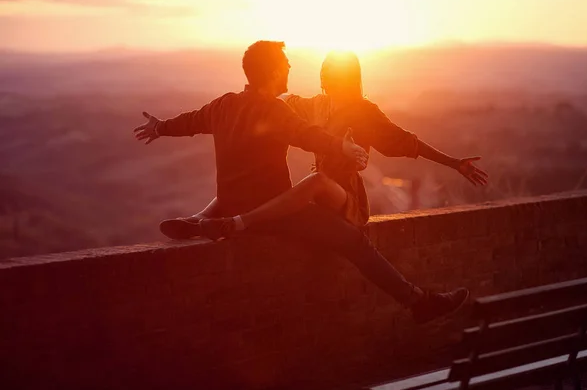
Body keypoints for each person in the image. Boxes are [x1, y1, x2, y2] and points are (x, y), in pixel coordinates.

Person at [134, 40, 469, 324]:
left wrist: (161, 127)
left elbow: (192, 120)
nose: (292, 70)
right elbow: (307, 134)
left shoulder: (224, 104)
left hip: (232, 201)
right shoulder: (277, 111)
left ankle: (201, 220)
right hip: (273, 213)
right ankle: (417, 302)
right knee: (353, 240)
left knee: (255, 189)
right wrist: (341, 145)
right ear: (276, 71)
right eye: (287, 65)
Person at [165, 50, 487, 237]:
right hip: (318, 198)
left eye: (332, 73)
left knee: (310, 184)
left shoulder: (365, 113)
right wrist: (247, 101)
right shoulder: (317, 105)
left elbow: (409, 143)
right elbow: (281, 109)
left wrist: (454, 163)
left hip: (346, 200)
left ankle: (223, 223)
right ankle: (198, 222)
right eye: (326, 72)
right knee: (248, 189)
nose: (327, 77)